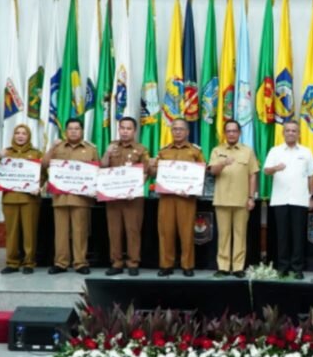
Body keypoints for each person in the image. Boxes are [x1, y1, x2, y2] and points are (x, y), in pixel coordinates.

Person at [43, 118, 99, 275]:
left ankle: (80, 262)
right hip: (60, 197)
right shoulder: (58, 147)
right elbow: (45, 164)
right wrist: (51, 148)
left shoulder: (90, 149)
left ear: (82, 131)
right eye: (70, 128)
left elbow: (97, 171)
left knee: (80, 232)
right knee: (61, 232)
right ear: (66, 131)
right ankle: (61, 263)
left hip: (81, 197)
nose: (74, 131)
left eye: (77, 128)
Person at [151, 118, 205, 277]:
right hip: (166, 197)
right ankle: (166, 264)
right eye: (175, 129)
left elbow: (202, 173)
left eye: (181, 129)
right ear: (171, 131)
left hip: (186, 198)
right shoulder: (163, 151)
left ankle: (187, 265)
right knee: (166, 231)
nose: (178, 132)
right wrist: (152, 165)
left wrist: (192, 186)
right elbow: (154, 174)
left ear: (187, 132)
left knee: (187, 232)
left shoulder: (195, 151)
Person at [0, 124, 43, 274]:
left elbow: (44, 173)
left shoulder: (36, 154)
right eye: (17, 133)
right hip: (10, 199)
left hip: (29, 199)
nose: (20, 136)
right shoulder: (6, 153)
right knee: (11, 233)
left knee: (29, 232)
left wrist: (39, 185)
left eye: (24, 133)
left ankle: (29, 263)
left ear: (29, 136)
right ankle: (12, 262)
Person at [263, 120, 313, 279]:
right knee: (282, 236)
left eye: (294, 131)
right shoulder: (275, 151)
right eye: (288, 130)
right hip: (280, 199)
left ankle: (297, 268)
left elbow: (311, 176)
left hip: (300, 199)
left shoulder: (306, 152)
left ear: (299, 134)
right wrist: (275, 168)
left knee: (298, 235)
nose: (291, 133)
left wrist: (311, 197)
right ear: (283, 133)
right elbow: (266, 171)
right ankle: (283, 267)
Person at [209, 120, 259, 278]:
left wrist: (251, 197)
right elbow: (213, 172)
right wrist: (223, 163)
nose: (231, 133)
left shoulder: (248, 151)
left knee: (240, 234)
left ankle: (238, 267)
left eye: (234, 131)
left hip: (242, 200)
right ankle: (223, 266)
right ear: (225, 133)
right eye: (228, 131)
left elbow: (253, 175)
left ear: (239, 133)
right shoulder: (217, 150)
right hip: (222, 200)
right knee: (223, 235)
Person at [101, 117, 149, 277]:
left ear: (134, 131)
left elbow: (147, 172)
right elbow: (102, 167)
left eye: (128, 128)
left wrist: (136, 185)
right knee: (114, 230)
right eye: (122, 128)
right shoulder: (111, 147)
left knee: (132, 230)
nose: (125, 131)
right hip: (113, 198)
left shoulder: (141, 149)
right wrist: (107, 153)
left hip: (133, 198)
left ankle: (133, 262)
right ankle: (116, 262)